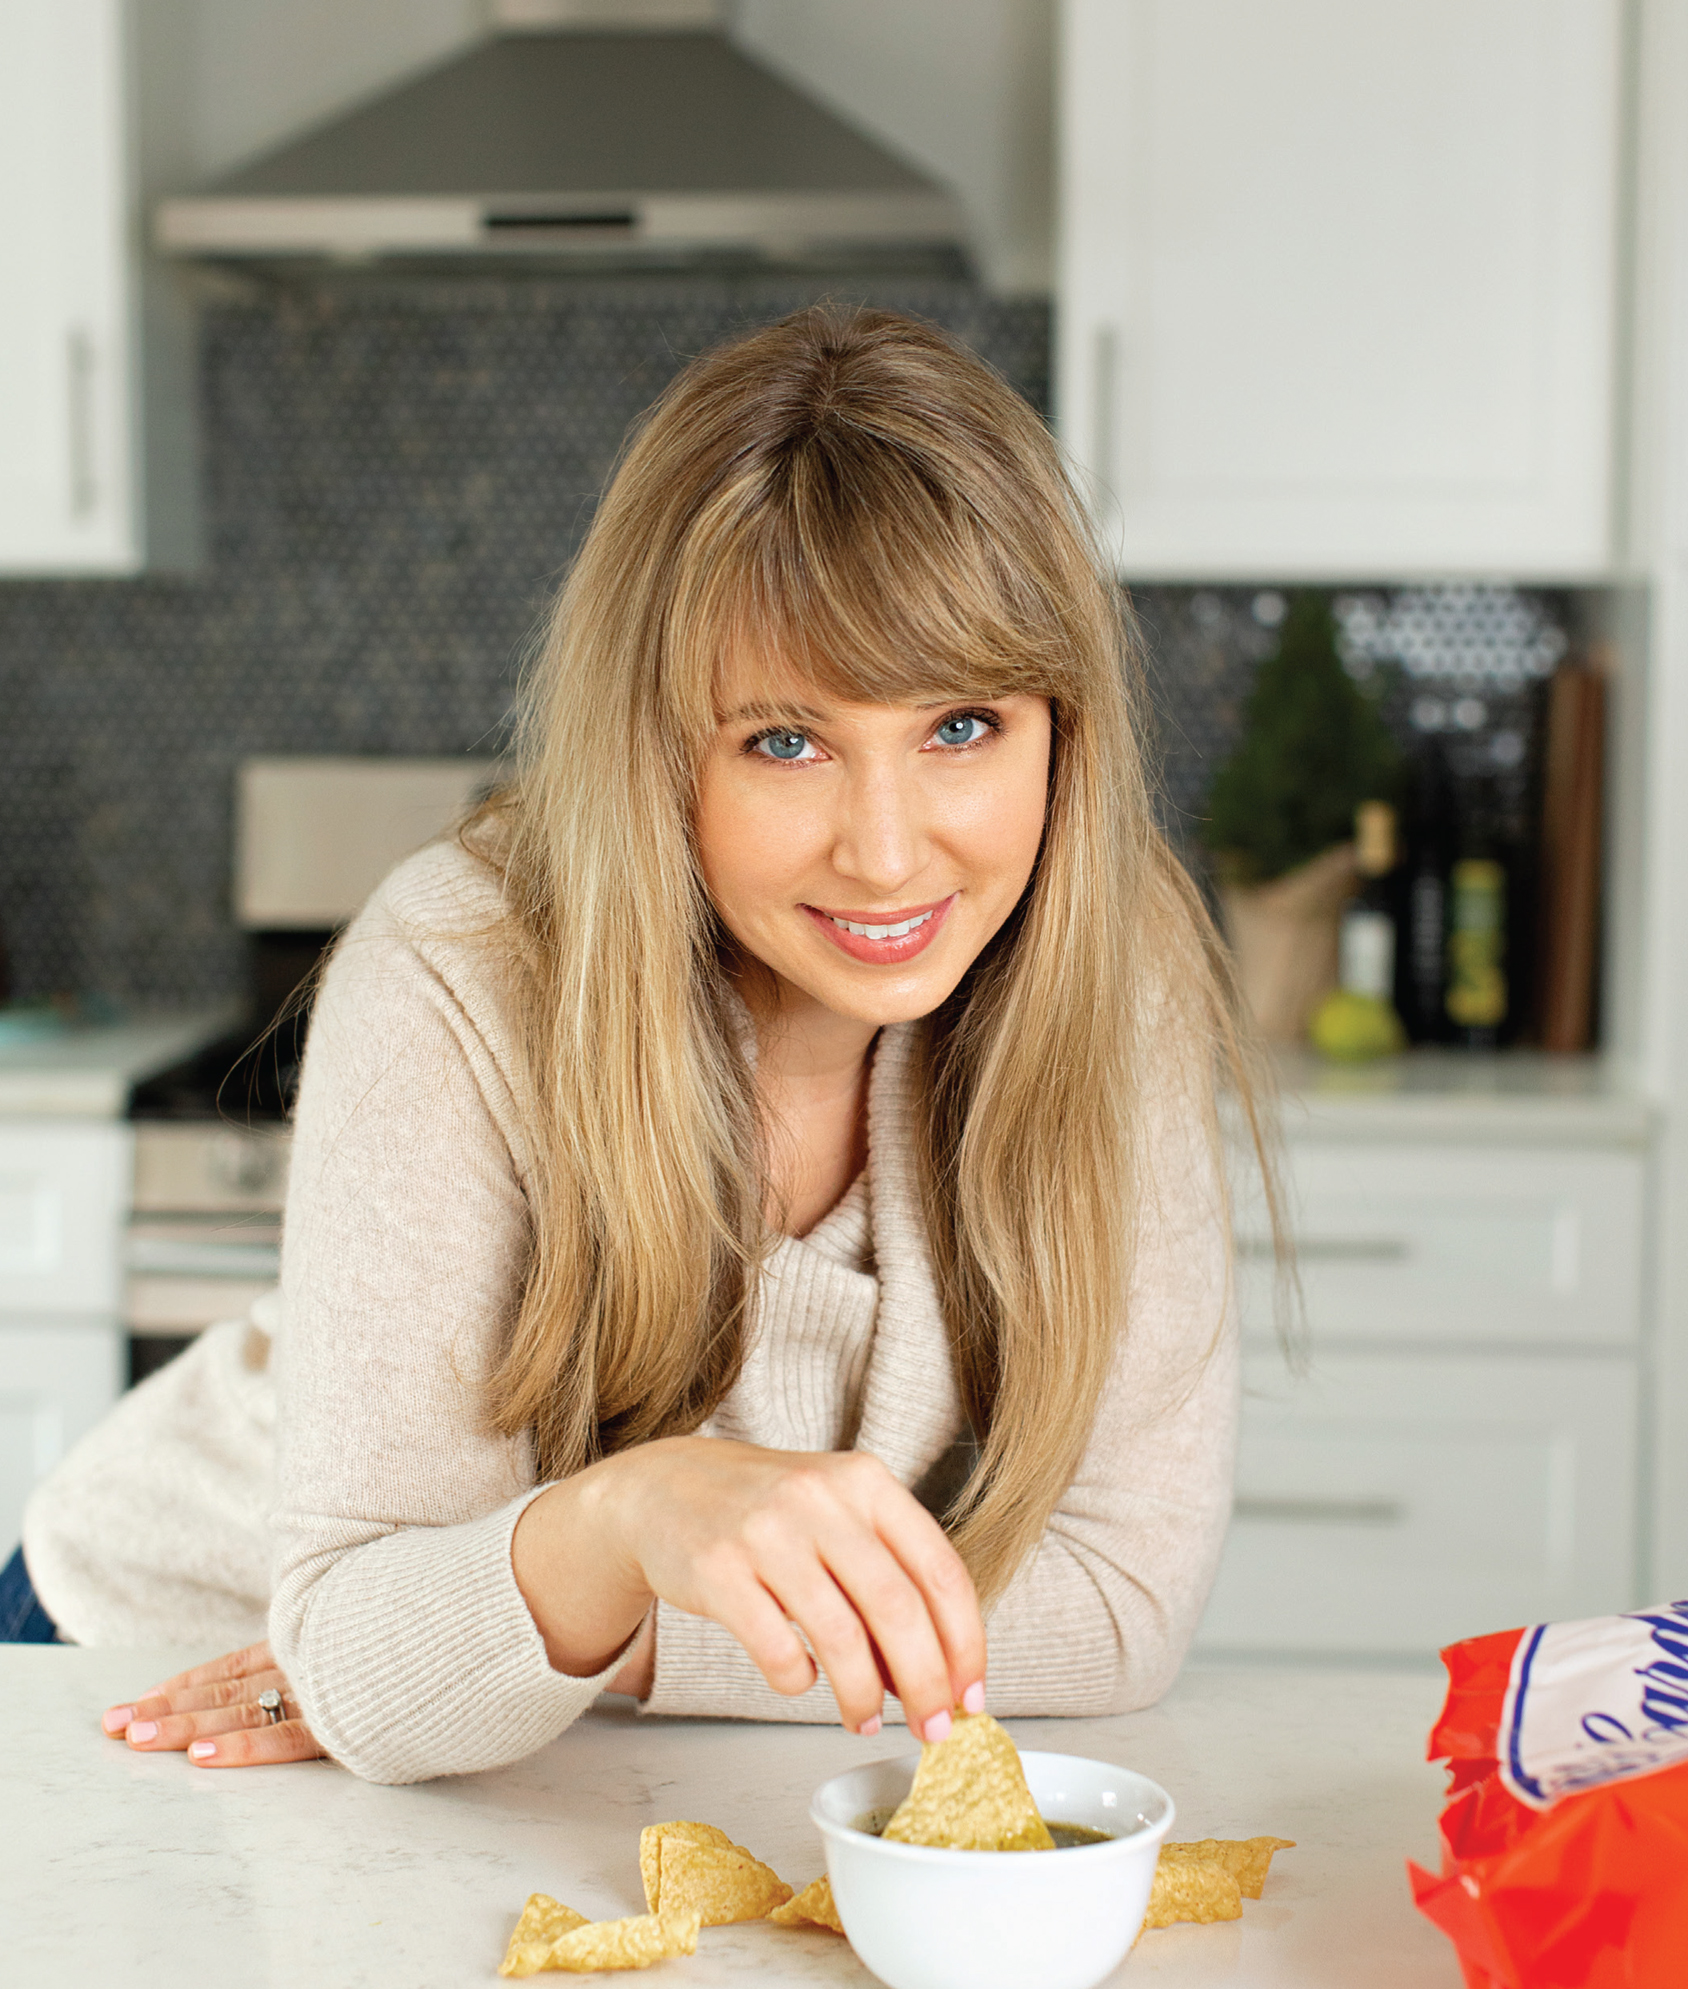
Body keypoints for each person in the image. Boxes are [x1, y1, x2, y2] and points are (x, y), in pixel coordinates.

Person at [17, 305, 1268, 1785]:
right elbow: (355, 1645)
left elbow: (1122, 1610)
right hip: (171, 1672)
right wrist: (618, 1527)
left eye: (961, 727)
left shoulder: (1118, 977)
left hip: (552, 1724)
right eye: (785, 742)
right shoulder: (457, 967)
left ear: (1063, 725)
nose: (886, 853)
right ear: (656, 748)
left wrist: (607, 1616)